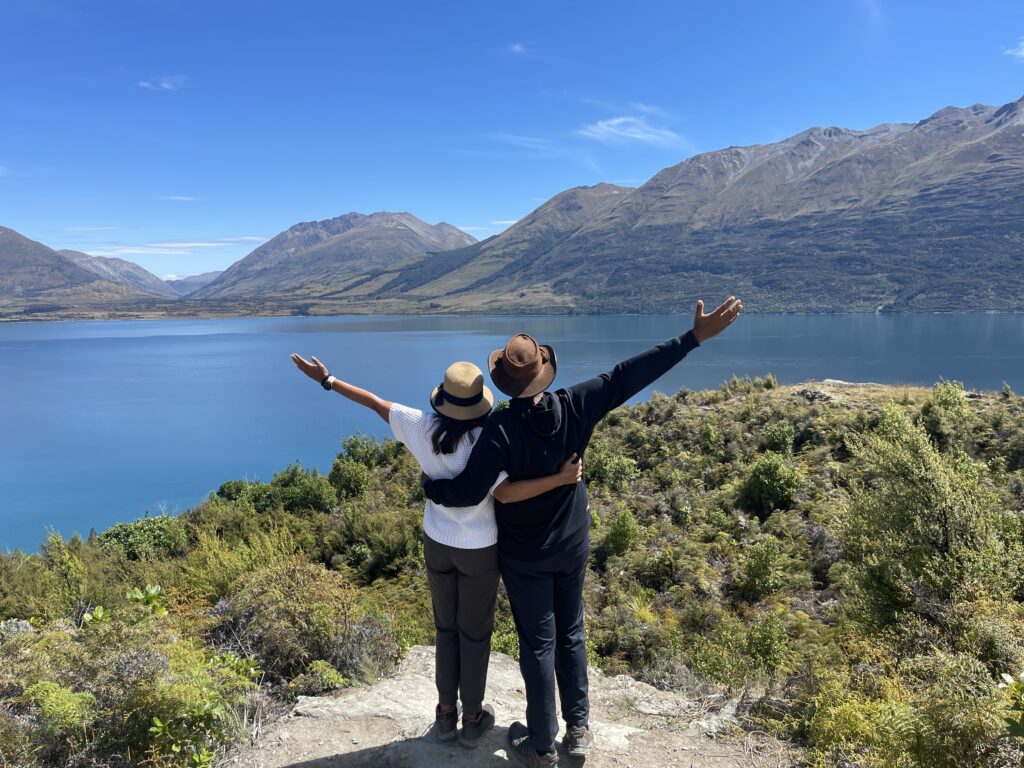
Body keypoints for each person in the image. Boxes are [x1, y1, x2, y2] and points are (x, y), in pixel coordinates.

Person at [421, 296, 744, 766]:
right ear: (544, 370)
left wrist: (433, 488)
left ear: (504, 383)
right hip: (572, 544)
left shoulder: (498, 432)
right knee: (571, 632)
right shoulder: (575, 404)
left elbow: (470, 491)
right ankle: (578, 732)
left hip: (525, 555)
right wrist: (693, 338)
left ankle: (540, 743)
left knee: (538, 642)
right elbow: (627, 376)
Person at [291, 353, 583, 749]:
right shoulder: (489, 438)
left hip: (437, 543)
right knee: (474, 635)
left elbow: (374, 402)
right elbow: (506, 492)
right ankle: (473, 717)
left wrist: (327, 380)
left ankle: (445, 714)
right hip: (480, 548)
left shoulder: (419, 425)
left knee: (446, 630)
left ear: (443, 398)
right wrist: (562, 478)